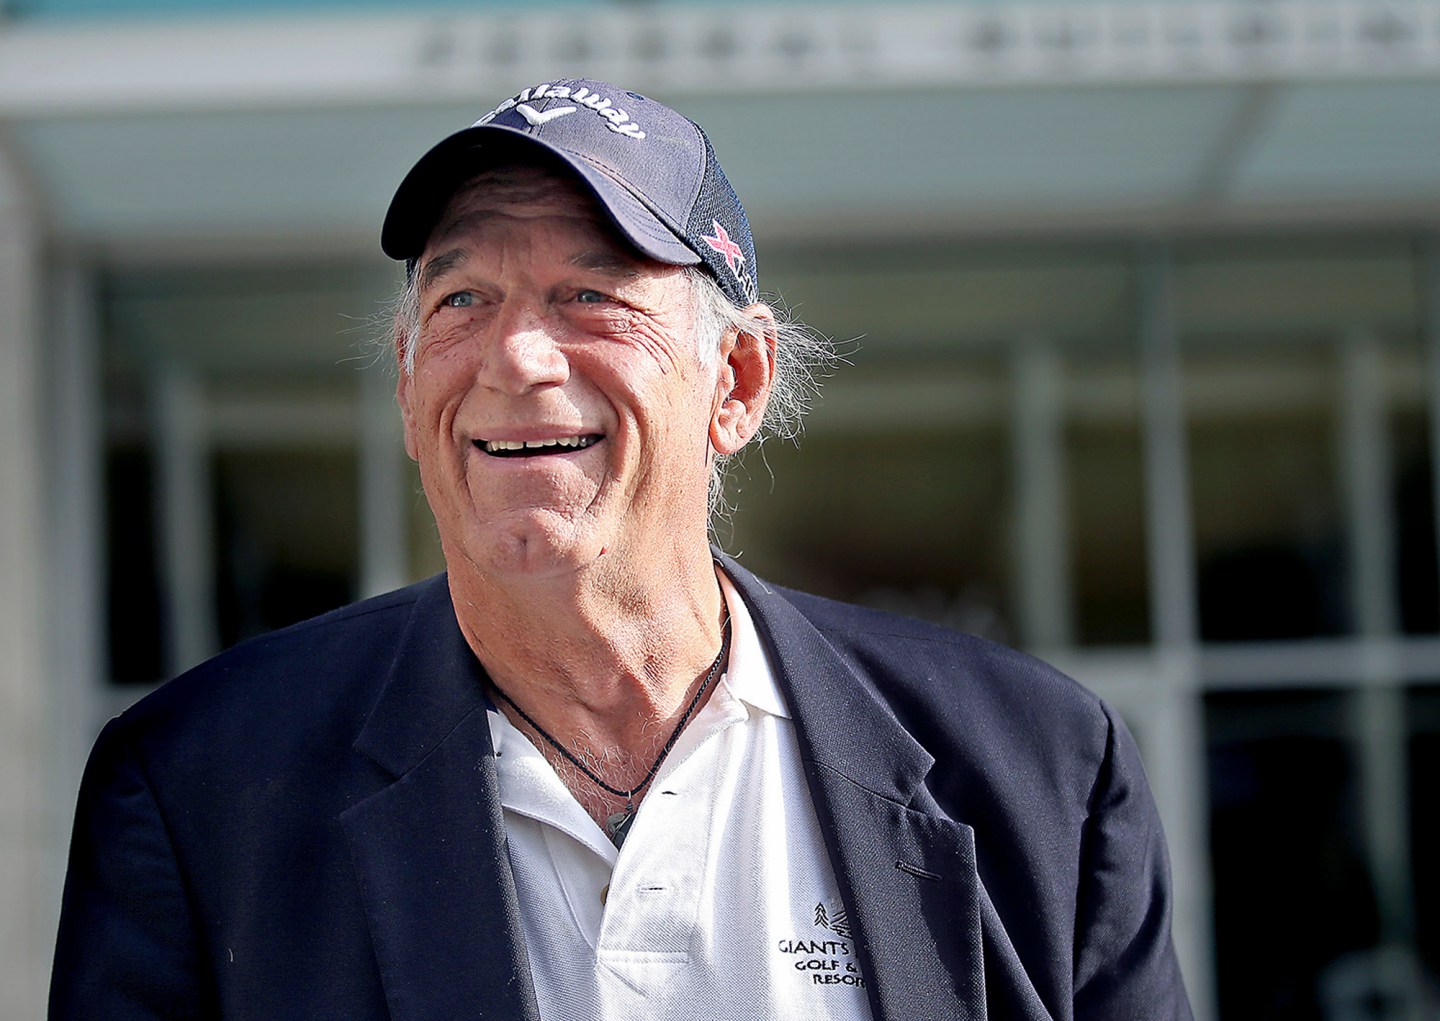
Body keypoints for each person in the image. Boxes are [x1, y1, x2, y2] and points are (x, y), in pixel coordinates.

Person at [50, 78, 1194, 1020]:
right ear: (407, 386)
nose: (517, 358)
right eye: (461, 301)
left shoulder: (1039, 774)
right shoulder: (202, 792)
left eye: (590, 294)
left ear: (735, 384)